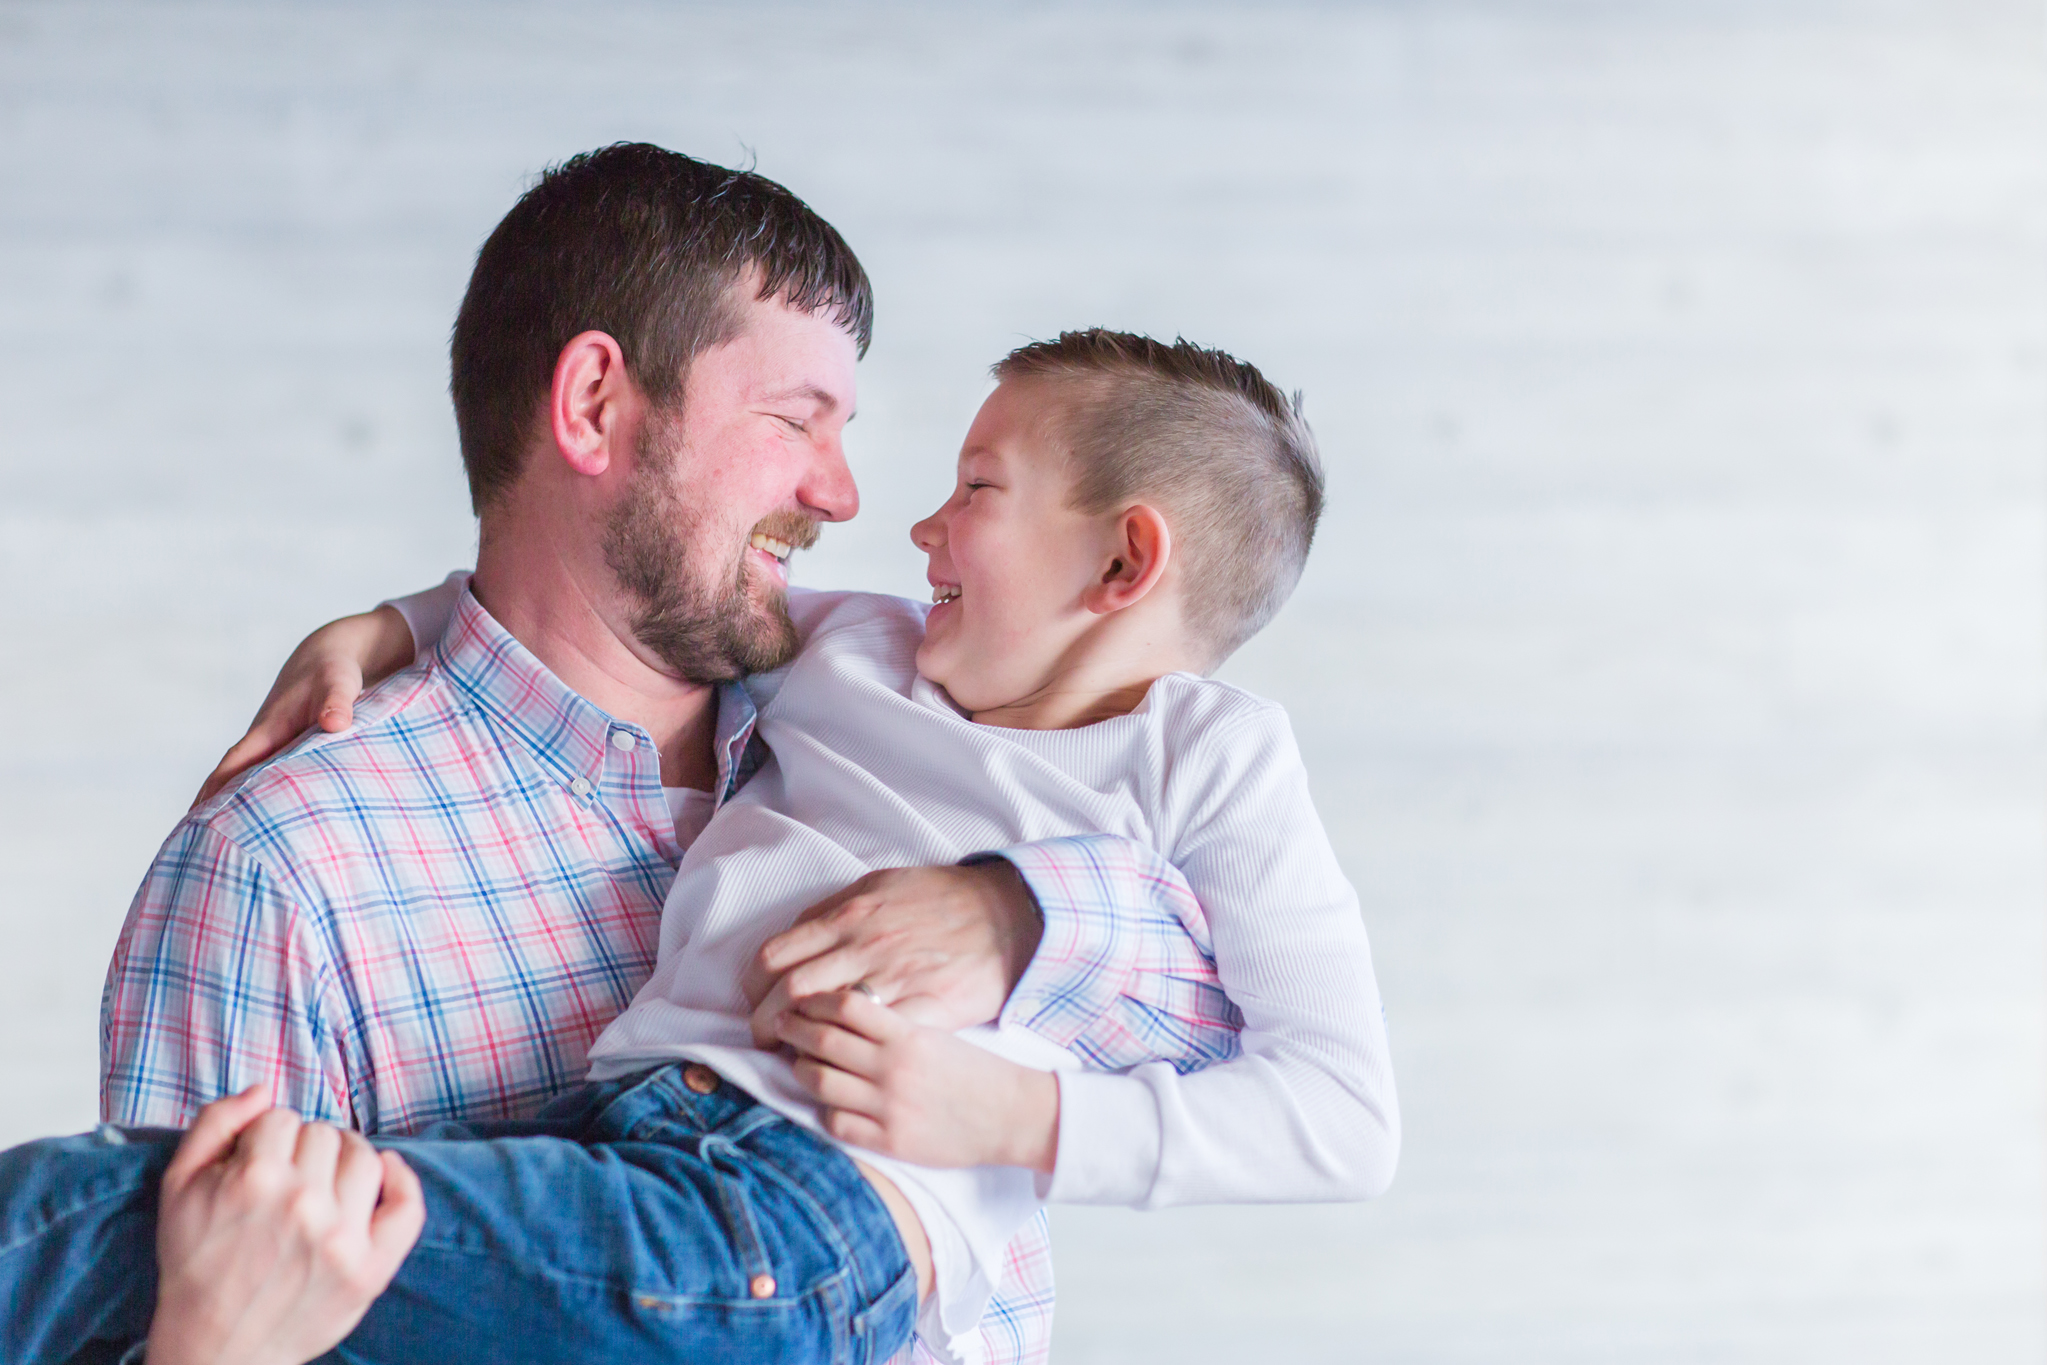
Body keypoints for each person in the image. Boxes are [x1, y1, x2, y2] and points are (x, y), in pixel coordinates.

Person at [3, 329, 1394, 1365]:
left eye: (980, 486)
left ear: (1122, 562)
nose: (910, 520)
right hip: (628, 1144)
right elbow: (633, 602)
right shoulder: (859, 652)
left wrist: (1016, 1117)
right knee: (231, 1220)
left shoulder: (1210, 763)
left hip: (789, 1221)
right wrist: (388, 626)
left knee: (163, 1217)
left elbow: (1338, 1109)